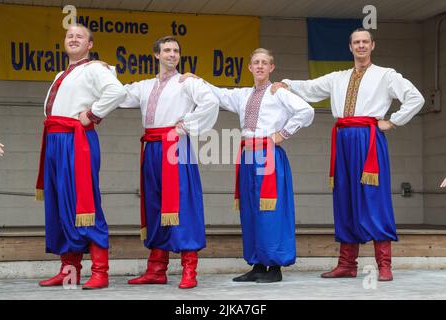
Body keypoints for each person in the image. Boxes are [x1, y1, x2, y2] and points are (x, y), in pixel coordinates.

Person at [272, 28, 425, 281]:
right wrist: (286, 84)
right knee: (344, 197)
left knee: (374, 198)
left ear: (373, 45)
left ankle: (384, 264)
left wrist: (394, 121)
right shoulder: (338, 78)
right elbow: (310, 88)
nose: (361, 46)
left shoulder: (386, 75)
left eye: (365, 42)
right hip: (343, 138)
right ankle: (347, 264)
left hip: (369, 139)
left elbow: (415, 97)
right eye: (357, 42)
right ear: (350, 47)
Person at [184, 48, 314, 282]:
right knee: (250, 210)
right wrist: (197, 80)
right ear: (250, 67)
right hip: (247, 155)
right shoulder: (243, 94)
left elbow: (306, 110)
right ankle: (257, 264)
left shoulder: (278, 92)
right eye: (256, 62)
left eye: (265, 62)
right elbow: (218, 93)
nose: (260, 66)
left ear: (272, 68)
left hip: (269, 155)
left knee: (271, 210)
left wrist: (282, 134)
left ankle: (274, 267)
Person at [119, 36, 219, 289]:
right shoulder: (144, 86)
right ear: (156, 54)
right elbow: (118, 96)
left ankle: (189, 269)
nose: (172, 54)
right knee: (154, 204)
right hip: (152, 145)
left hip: (175, 145)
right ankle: (156, 269)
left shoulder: (186, 82)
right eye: (167, 50)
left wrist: (186, 126)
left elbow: (210, 101)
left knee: (182, 204)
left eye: (176, 50)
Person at [35, 24, 126, 289]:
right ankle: (69, 271)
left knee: (85, 202)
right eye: (69, 35)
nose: (73, 39)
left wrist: (92, 114)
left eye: (80, 36)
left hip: (76, 140)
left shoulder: (95, 68)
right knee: (60, 204)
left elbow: (117, 92)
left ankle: (101, 271)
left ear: (90, 45)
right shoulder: (61, 74)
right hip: (54, 140)